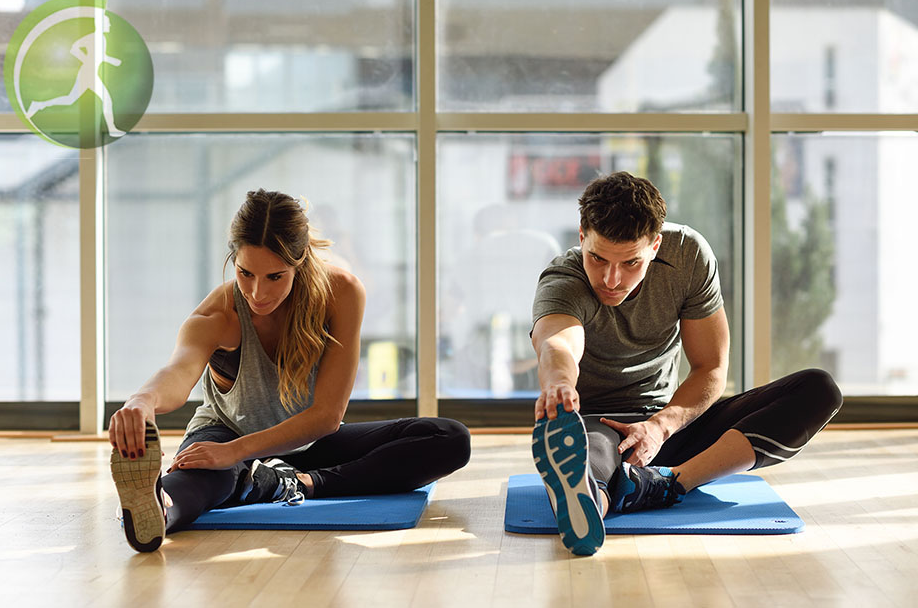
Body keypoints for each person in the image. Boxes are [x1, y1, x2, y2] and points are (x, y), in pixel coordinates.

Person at [109, 189, 471, 552]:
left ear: (299, 262)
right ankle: (158, 511)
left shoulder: (340, 294)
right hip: (224, 434)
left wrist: (240, 452)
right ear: (233, 259)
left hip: (307, 441)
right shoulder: (219, 314)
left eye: (275, 277)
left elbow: (327, 417)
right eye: (245, 273)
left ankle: (296, 482)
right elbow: (179, 371)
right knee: (205, 479)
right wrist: (143, 401)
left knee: (449, 438)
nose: (257, 293)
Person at [529, 172, 842, 556]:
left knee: (818, 390)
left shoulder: (687, 255)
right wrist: (559, 384)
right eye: (597, 258)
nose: (611, 279)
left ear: (656, 245)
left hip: (673, 425)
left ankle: (668, 482)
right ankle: (591, 504)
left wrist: (660, 427)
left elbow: (710, 366)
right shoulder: (563, 278)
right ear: (582, 237)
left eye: (630, 262)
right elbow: (559, 343)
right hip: (600, 427)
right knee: (585, 461)